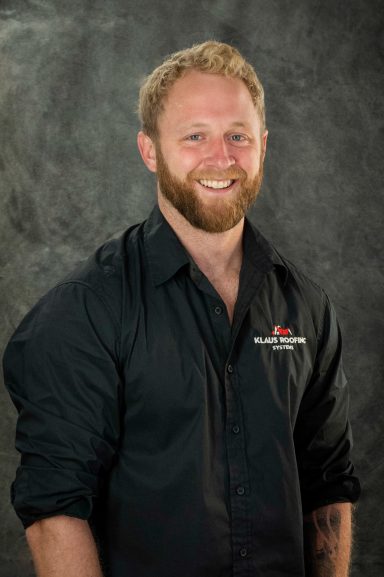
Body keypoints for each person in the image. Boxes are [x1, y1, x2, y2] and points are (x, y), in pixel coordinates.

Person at [3, 40, 360, 577]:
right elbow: (55, 508)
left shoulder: (306, 307)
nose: (222, 158)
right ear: (149, 150)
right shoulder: (86, 311)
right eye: (195, 136)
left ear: (263, 145)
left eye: (237, 136)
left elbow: (327, 482)